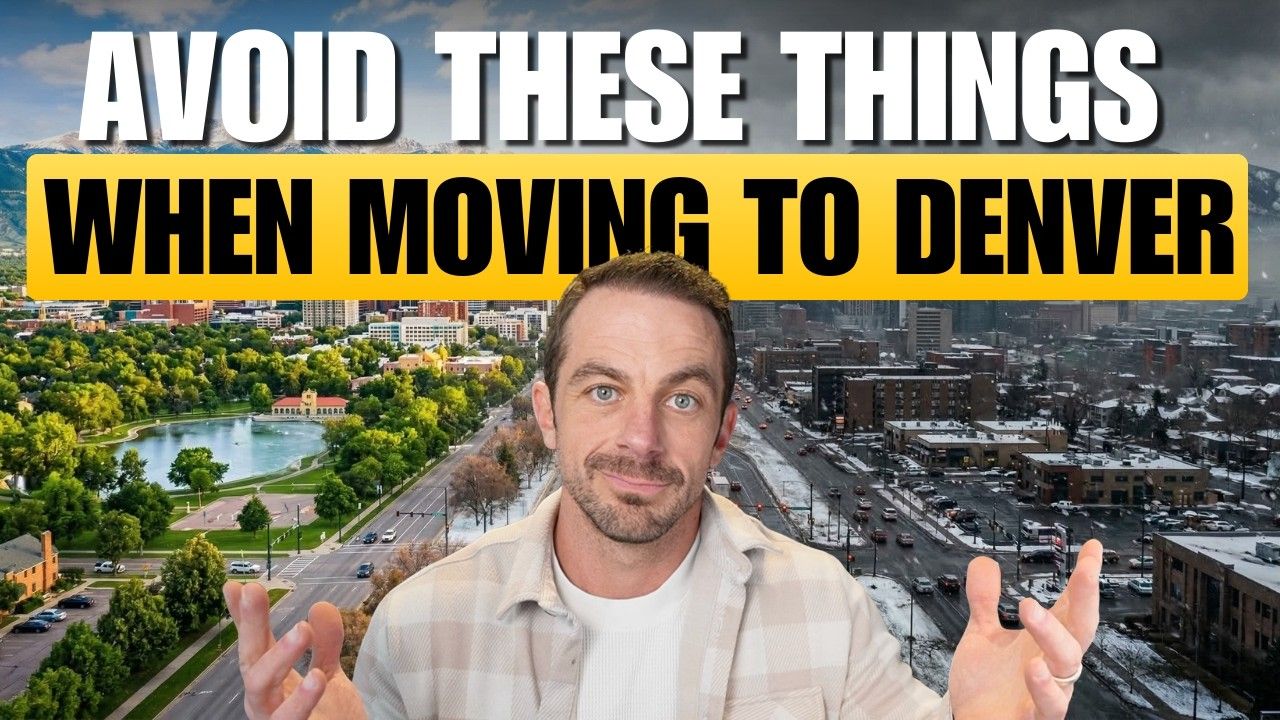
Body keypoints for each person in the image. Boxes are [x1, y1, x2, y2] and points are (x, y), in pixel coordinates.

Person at [224, 252, 1102, 719]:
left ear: (724, 426)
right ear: (548, 411)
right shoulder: (420, 629)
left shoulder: (825, 610)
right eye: (603, 389)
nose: (640, 439)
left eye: (680, 397)